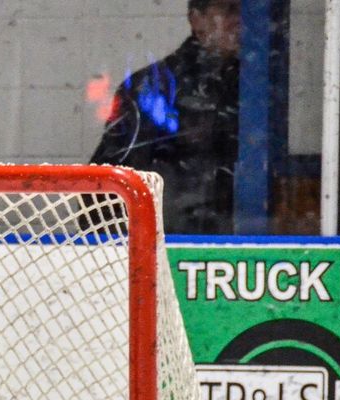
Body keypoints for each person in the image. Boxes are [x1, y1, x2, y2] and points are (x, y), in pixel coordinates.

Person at [89, 0, 241, 234]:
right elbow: (104, 188)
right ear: (197, 19)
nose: (239, 20)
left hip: (241, 245)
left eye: (243, 10)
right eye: (229, 9)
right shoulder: (153, 88)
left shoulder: (257, 89)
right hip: (169, 243)